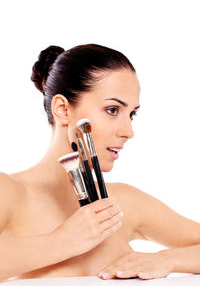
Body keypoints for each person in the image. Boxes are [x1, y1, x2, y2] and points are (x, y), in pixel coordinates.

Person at [0, 44, 200, 282]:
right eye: (113, 110)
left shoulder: (123, 203)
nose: (129, 132)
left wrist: (167, 259)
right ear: (63, 109)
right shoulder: (10, 193)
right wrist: (61, 242)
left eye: (132, 114)